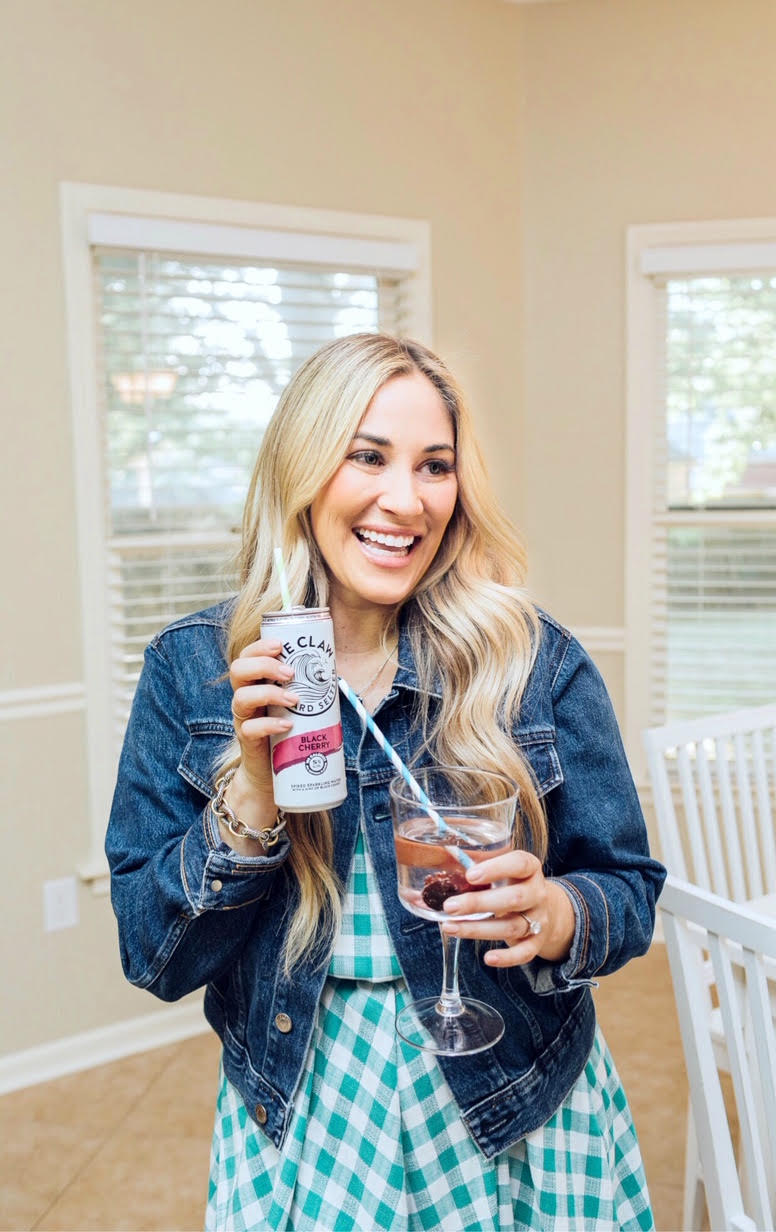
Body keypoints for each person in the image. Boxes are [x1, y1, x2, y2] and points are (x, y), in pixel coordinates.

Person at [106, 332, 666, 1231]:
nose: (405, 501)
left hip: (515, 1094)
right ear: (304, 470)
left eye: (434, 466)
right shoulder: (193, 670)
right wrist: (251, 795)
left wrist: (556, 913)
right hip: (311, 1102)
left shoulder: (530, 661)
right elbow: (154, 957)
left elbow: (628, 889)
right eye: (367, 456)